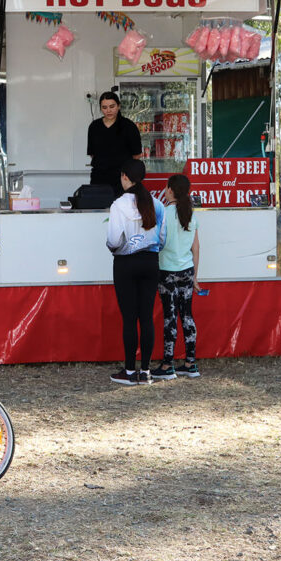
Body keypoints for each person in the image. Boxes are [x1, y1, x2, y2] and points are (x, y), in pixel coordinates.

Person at [106, 159, 167, 386]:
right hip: (151, 262)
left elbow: (113, 239)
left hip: (125, 264)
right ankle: (147, 371)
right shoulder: (156, 203)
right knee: (147, 317)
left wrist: (119, 248)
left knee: (130, 319)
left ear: (124, 177)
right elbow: (163, 237)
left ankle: (130, 372)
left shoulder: (118, 205)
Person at [152, 174, 201, 381]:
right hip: (187, 270)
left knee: (170, 316)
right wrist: (195, 276)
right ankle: (190, 363)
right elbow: (196, 247)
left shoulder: (164, 214)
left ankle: (167, 364)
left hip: (167, 271)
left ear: (170, 190)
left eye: (166, 187)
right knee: (187, 315)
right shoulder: (191, 214)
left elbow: (158, 242)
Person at [87, 91, 143, 197]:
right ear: (100, 108)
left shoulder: (129, 126)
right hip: (99, 178)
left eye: (112, 106)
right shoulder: (94, 126)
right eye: (104, 107)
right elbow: (92, 153)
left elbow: (137, 155)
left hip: (123, 180)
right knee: (98, 210)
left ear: (118, 106)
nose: (108, 110)